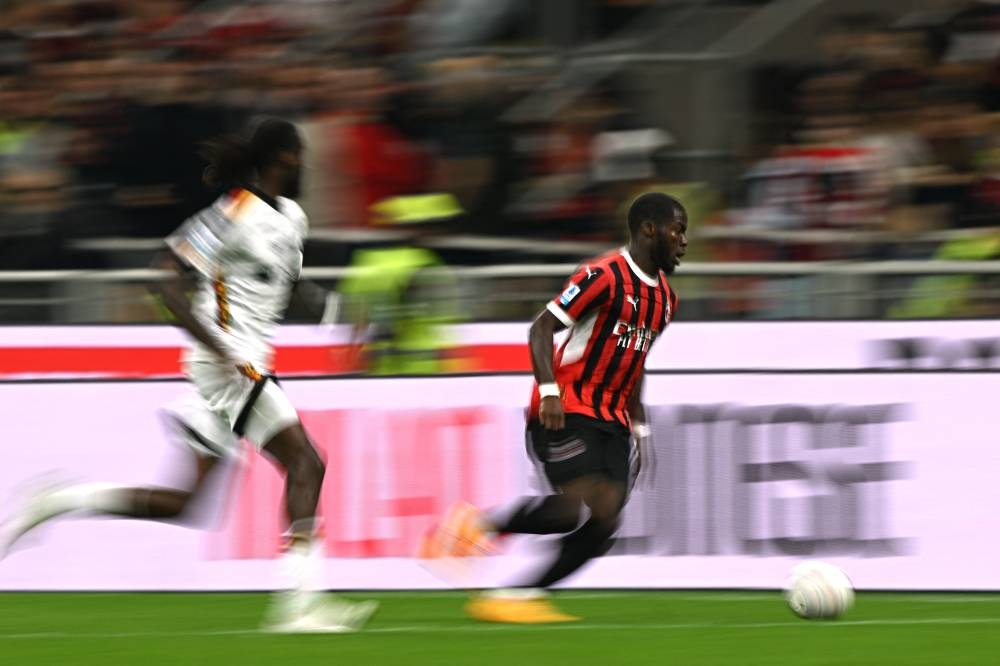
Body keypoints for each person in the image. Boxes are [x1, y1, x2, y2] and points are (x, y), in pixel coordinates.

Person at [0, 118, 376, 633]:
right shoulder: (232, 210)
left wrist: (337, 312)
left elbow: (288, 286)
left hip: (248, 361)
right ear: (285, 156)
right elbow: (167, 278)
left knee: (184, 504)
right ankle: (301, 605)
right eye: (300, 153)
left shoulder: (291, 217)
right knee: (307, 463)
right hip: (230, 360)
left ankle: (60, 499)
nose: (305, 163)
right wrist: (217, 347)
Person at [421, 192, 688, 623]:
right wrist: (548, 390)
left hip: (614, 420)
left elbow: (635, 361)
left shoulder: (667, 302)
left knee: (604, 523)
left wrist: (641, 429)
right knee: (573, 507)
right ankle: (474, 527)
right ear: (649, 229)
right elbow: (541, 328)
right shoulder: (603, 276)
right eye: (678, 230)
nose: (684, 241)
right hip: (566, 408)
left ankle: (516, 596)